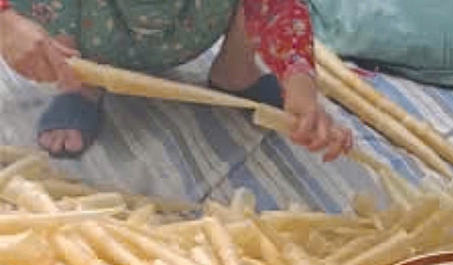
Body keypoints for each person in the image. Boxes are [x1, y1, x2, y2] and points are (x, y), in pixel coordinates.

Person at [0, 0, 353, 159]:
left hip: (189, 24)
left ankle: (235, 70)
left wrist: (299, 81)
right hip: (91, 23)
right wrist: (6, 24)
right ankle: (79, 80)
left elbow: (275, 7)